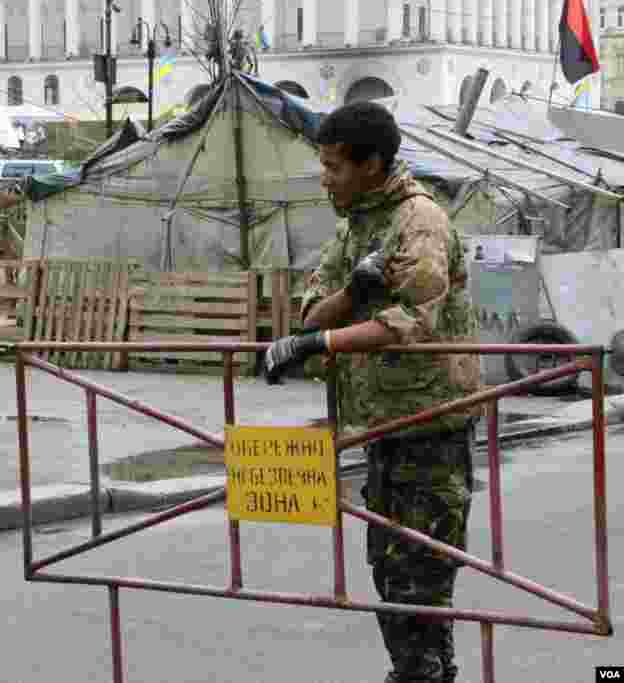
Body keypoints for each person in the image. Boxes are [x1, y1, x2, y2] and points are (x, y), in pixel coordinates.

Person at [264, 101, 480, 683]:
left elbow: (412, 321)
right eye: (323, 164)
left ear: (373, 164)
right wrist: (351, 298)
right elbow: (311, 313)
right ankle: (423, 672)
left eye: (334, 166)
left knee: (420, 575)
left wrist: (322, 343)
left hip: (431, 424)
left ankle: (421, 674)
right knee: (390, 571)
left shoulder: (419, 222)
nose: (324, 178)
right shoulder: (354, 226)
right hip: (384, 425)